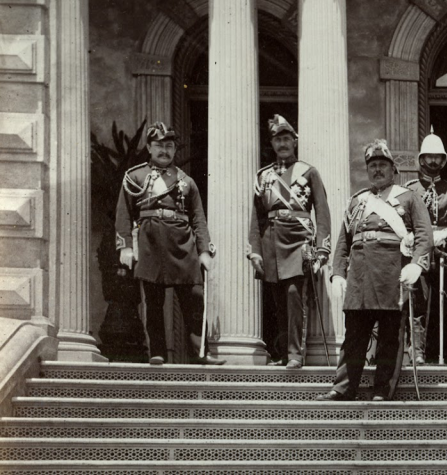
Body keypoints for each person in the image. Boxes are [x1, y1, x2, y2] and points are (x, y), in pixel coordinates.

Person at [316, 139, 432, 401]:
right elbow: (343, 241)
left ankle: (382, 389)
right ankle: (343, 387)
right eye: (373, 166)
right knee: (354, 336)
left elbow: (425, 236)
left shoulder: (409, 198)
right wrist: (337, 273)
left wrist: (416, 263)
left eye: (383, 165)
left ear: (393, 170)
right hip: (359, 276)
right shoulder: (357, 201)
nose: (377, 170)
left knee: (390, 336)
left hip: (392, 275)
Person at [115, 122, 224, 366]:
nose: (164, 150)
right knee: (153, 302)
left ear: (175, 149)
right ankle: (158, 352)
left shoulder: (187, 181)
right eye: (159, 145)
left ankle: (200, 353)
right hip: (150, 243)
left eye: (169, 146)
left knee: (194, 297)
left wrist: (204, 250)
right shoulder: (134, 177)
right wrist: (125, 247)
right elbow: (123, 214)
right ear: (149, 147)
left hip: (182, 243)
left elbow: (198, 218)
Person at [247, 115, 331, 369]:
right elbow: (256, 217)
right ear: (272, 143)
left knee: (295, 295)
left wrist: (322, 247)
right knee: (278, 299)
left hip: (298, 241)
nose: (282, 143)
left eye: (286, 138)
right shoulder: (263, 177)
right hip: (271, 242)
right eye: (277, 139)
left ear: (294, 141)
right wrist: (255, 252)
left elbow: (322, 211)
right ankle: (284, 353)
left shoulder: (308, 172)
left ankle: (295, 353)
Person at [404, 128, 447, 364]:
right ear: (421, 159)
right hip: (419, 255)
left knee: (445, 303)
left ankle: (445, 353)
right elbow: (403, 221)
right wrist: (411, 236)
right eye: (428, 157)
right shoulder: (410, 189)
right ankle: (418, 352)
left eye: (437, 157)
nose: (432, 161)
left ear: (443, 160)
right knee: (417, 301)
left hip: (445, 256)